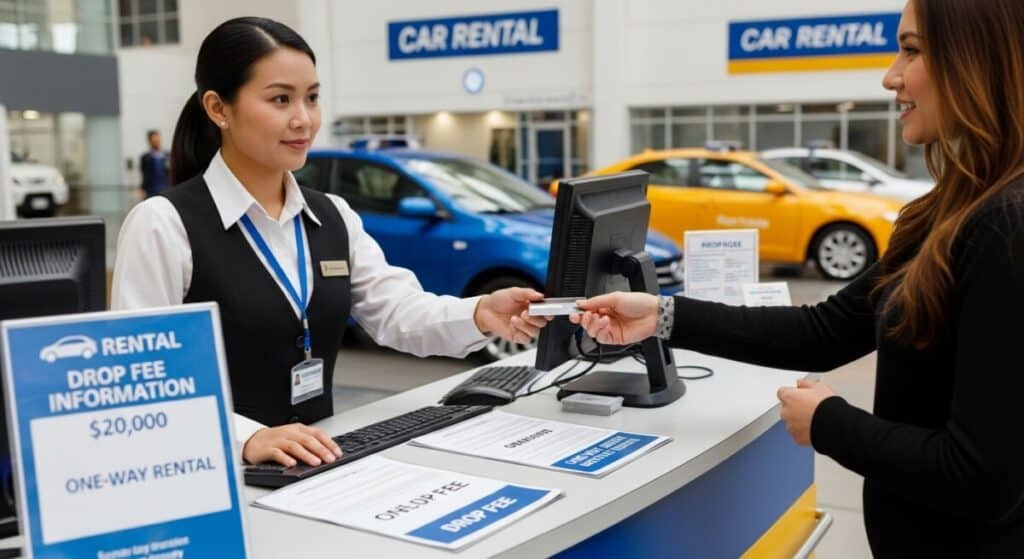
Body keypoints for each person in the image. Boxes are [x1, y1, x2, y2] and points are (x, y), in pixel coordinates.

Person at [572, 1, 1024, 556]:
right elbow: (827, 328)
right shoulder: (947, 211)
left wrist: (830, 423)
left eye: (911, 49)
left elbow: (981, 476)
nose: (890, 76)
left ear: (979, 59)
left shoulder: (1007, 226)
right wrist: (663, 316)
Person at [111, 17, 550, 470]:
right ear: (219, 109)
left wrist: (480, 313)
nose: (303, 119)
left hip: (318, 467)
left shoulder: (332, 215)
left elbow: (397, 312)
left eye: (312, 98)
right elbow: (142, 383)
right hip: (214, 473)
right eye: (280, 99)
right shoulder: (164, 224)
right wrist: (246, 437)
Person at [139, 130, 169, 198]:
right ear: (149, 142)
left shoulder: (167, 156)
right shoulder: (146, 157)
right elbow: (144, 174)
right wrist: (143, 188)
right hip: (151, 190)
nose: (157, 142)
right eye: (154, 141)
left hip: (166, 188)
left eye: (158, 140)